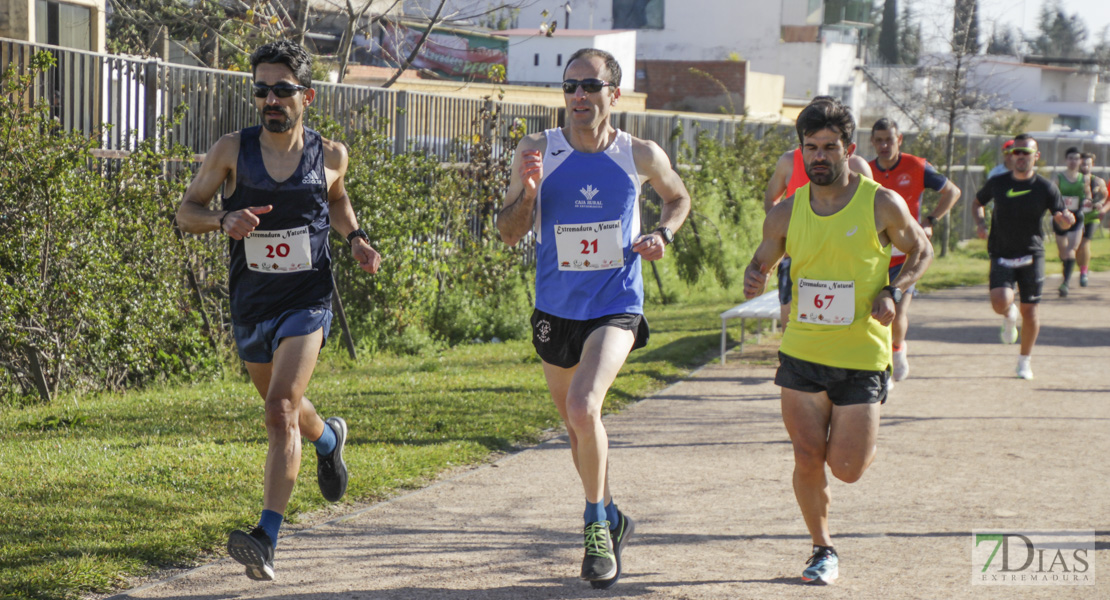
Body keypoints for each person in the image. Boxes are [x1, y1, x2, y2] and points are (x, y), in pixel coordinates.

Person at [175, 40, 381, 581]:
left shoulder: (329, 154)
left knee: (279, 411)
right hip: (251, 303)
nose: (270, 99)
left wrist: (356, 238)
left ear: (306, 96)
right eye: (261, 89)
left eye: (282, 90)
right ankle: (330, 440)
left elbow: (336, 199)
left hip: (307, 300)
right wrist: (222, 220)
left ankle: (266, 536)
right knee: (282, 406)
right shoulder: (230, 150)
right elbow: (186, 211)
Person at [497, 47, 690, 589]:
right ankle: (612, 511)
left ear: (614, 94)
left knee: (585, 406)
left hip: (616, 304)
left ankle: (595, 529)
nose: (578, 96)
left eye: (590, 86)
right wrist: (529, 195)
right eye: (570, 86)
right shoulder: (537, 150)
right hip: (555, 310)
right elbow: (509, 232)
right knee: (577, 427)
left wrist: (663, 234)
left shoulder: (640, 153)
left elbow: (678, 198)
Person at [743, 101, 932, 585]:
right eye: (811, 148)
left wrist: (894, 289)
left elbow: (921, 248)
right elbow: (763, 258)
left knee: (846, 468)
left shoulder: (881, 202)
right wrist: (753, 275)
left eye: (829, 147)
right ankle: (821, 547)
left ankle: (853, 444)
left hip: (861, 357)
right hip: (803, 353)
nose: (820, 157)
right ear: (800, 151)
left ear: (849, 149)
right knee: (806, 455)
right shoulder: (786, 213)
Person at [764, 97, 873, 325]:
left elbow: (870, 214)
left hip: (843, 257)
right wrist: (781, 236)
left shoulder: (858, 166)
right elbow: (771, 198)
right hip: (797, 255)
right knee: (790, 315)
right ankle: (790, 358)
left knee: (843, 321)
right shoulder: (788, 161)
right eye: (811, 144)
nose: (819, 155)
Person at [868, 118, 961, 382]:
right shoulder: (865, 170)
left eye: (889, 139)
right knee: (872, 316)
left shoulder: (917, 166)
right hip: (874, 255)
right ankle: (878, 366)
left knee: (896, 314)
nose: (884, 145)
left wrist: (931, 221)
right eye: (879, 140)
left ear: (899, 140)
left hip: (906, 256)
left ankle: (897, 349)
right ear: (872, 142)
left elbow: (952, 191)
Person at [974, 134, 1074, 380]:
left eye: (1026, 153)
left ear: (1035, 157)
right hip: (1001, 251)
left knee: (1031, 312)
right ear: (1011, 155)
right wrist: (980, 222)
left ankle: (1024, 361)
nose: (1020, 157)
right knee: (1000, 301)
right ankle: (1009, 315)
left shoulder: (1045, 187)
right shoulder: (998, 182)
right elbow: (978, 201)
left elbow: (1061, 215)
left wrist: (1065, 220)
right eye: (1016, 152)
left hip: (1031, 252)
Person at [1052, 147, 1089, 297]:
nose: (1073, 161)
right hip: (1061, 218)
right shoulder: (1058, 177)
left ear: (1080, 161)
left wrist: (1088, 201)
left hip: (1077, 217)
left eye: (1076, 158)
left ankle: (1065, 283)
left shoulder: (1083, 178)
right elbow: (1052, 194)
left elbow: (1088, 194)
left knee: (1071, 250)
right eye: (1070, 158)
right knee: (1063, 252)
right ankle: (1066, 269)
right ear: (1066, 160)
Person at [1077, 152, 1108, 286]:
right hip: (1076, 215)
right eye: (1082, 163)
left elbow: (1105, 195)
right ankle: (1080, 268)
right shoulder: (1071, 179)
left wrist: (1100, 203)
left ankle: (1084, 272)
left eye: (1087, 164)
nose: (1085, 166)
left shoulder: (1098, 181)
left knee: (1085, 242)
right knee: (1077, 245)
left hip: (1092, 216)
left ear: (1092, 165)